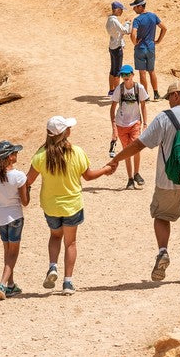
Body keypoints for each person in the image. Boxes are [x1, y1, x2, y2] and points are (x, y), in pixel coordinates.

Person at [105, 84, 180, 284]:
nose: (169, 100)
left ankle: (162, 252)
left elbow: (138, 144)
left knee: (161, 216)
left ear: (176, 96)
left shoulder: (164, 118)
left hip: (167, 181)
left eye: (170, 97)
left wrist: (116, 159)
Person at [25, 115, 113, 295]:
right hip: (72, 204)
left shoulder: (40, 156)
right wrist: (105, 170)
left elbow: (28, 180)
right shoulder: (76, 152)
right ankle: (68, 282)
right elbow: (88, 176)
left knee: (55, 236)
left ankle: (52, 267)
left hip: (50, 206)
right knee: (70, 243)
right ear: (64, 132)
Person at [0, 139, 28, 300]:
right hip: (15, 216)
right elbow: (25, 202)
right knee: (13, 253)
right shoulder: (19, 176)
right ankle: (2, 284)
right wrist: (26, 188)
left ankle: (11, 285)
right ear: (9, 157)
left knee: (6, 250)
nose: (17, 154)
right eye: (14, 152)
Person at [108, 65, 149, 190]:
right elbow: (112, 108)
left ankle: (136, 174)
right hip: (121, 125)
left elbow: (143, 106)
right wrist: (114, 127)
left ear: (132, 75)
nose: (125, 77)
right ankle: (130, 179)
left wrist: (145, 124)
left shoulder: (139, 88)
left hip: (135, 122)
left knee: (136, 148)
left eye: (127, 74)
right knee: (126, 152)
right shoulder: (119, 90)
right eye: (123, 75)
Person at [129, 0, 166, 98]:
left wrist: (135, 43)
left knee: (142, 73)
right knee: (152, 71)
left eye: (135, 7)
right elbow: (164, 28)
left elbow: (133, 34)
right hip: (151, 47)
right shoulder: (153, 16)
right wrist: (158, 40)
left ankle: (145, 95)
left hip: (140, 48)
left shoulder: (137, 19)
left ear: (140, 6)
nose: (134, 9)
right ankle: (156, 94)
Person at [106, 1, 130, 95]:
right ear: (116, 10)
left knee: (113, 69)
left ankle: (111, 90)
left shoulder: (110, 19)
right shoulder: (114, 20)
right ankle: (117, 93)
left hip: (112, 46)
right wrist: (128, 23)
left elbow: (119, 30)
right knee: (117, 71)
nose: (121, 12)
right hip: (117, 47)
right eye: (120, 10)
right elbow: (125, 30)